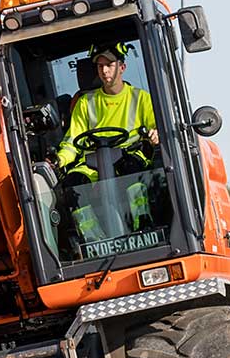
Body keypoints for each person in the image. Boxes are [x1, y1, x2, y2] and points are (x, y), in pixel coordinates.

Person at [52, 42, 161, 245]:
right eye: (100, 66)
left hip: (129, 155)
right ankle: (94, 241)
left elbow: (157, 128)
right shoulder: (86, 103)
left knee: (133, 173)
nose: (104, 70)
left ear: (122, 67)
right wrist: (59, 159)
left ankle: (143, 230)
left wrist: (156, 134)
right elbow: (71, 142)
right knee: (73, 183)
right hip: (92, 163)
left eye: (109, 64)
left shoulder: (140, 98)